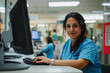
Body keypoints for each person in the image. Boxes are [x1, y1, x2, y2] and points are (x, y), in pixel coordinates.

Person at [33, 12, 101, 73]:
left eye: (75, 25)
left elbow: (80, 64)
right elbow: (60, 61)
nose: (71, 29)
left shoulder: (89, 45)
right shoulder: (68, 43)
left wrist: (51, 61)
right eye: (68, 26)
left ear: (82, 27)